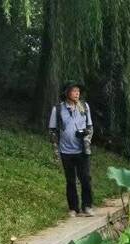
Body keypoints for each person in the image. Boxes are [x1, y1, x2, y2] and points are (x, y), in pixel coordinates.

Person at [48, 81, 94, 217]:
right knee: (70, 180)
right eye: (74, 91)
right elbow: (52, 131)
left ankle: (87, 206)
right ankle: (73, 208)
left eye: (78, 91)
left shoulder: (84, 107)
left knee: (85, 178)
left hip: (82, 150)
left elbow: (90, 127)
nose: (77, 93)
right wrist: (55, 148)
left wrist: (86, 138)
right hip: (65, 150)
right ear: (67, 93)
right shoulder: (58, 109)